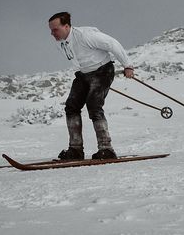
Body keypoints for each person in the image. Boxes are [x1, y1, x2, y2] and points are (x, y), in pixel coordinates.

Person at [48, 11, 134, 160]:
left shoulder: (85, 36)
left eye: (55, 29)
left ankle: (106, 149)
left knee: (94, 105)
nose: (52, 33)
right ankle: (75, 150)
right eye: (51, 30)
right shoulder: (60, 42)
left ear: (67, 26)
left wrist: (127, 65)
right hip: (83, 75)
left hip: (102, 71)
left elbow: (112, 44)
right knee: (71, 106)